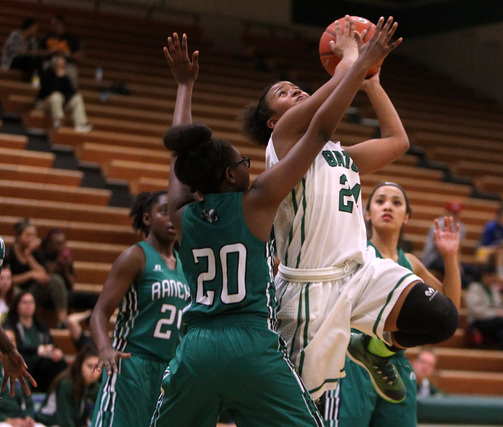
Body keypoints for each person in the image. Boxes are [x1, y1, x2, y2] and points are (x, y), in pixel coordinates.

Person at [151, 19, 398, 425]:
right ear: (231, 176)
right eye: (243, 162)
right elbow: (318, 131)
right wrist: (357, 64)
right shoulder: (257, 201)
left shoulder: (181, 214)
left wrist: (183, 86)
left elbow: (180, 155)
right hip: (252, 342)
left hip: (196, 346)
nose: (250, 165)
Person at [239, 17, 458, 404]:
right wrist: (355, 56)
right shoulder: (283, 143)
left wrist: (371, 83)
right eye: (283, 93)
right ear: (274, 119)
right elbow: (326, 115)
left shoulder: (342, 156)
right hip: (310, 288)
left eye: (296, 87)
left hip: (361, 273)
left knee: (442, 318)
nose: (295, 90)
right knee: (302, 407)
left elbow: (397, 141)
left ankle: (374, 351)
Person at [323, 182, 461, 426]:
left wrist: (450, 256)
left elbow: (451, 309)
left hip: (395, 364)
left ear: (406, 217)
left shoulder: (412, 263)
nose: (388, 206)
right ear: (367, 214)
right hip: (351, 362)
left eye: (396, 203)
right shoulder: (355, 253)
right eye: (380, 201)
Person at [90, 191, 190, 427]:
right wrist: (105, 349)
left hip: (168, 367)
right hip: (131, 363)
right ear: (147, 219)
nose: (170, 219)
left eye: (173, 213)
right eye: (163, 212)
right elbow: (100, 312)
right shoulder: (135, 256)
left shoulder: (184, 264)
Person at [5, 219, 69, 326]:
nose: (32, 238)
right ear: (19, 236)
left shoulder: (36, 254)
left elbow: (44, 276)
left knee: (55, 280)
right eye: (28, 235)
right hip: (14, 291)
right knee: (15, 291)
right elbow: (7, 280)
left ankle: (62, 321)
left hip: (33, 291)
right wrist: (30, 275)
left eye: (34, 235)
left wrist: (28, 255)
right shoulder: (9, 253)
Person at [2, 291, 67, 392]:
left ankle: (55, 394)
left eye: (31, 302)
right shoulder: (10, 324)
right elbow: (14, 347)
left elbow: (52, 344)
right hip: (23, 359)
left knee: (60, 363)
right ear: (17, 305)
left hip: (41, 362)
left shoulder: (41, 325)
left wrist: (56, 351)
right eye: (24, 302)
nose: (28, 306)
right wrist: (38, 350)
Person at [36, 344, 101, 427]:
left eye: (97, 367)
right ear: (80, 365)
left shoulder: (97, 388)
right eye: (89, 366)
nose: (93, 371)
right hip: (49, 423)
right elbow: (64, 420)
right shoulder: (66, 384)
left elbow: (93, 418)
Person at [39, 229, 98, 313]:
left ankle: (87, 319)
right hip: (48, 295)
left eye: (62, 243)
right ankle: (64, 322)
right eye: (57, 243)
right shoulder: (43, 256)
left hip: (67, 292)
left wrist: (66, 268)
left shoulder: (66, 258)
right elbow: (45, 278)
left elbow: (71, 284)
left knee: (96, 298)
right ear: (50, 244)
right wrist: (57, 263)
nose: (60, 246)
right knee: (66, 297)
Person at [420, 200, 475, 287]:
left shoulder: (461, 227)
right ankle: (469, 286)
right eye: (452, 213)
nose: (453, 216)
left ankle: (471, 286)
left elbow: (458, 249)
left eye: (456, 213)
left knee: (473, 270)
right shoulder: (438, 224)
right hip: (432, 259)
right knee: (455, 272)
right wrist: (455, 265)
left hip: (448, 257)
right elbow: (441, 250)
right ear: (446, 212)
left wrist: (458, 264)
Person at [465, 264, 503, 350]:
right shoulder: (474, 288)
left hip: (493, 321)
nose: (493, 278)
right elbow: (477, 311)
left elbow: (498, 306)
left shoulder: (493, 289)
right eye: (491, 276)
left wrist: (501, 311)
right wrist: (496, 313)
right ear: (484, 276)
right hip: (479, 321)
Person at [34, 55, 91, 132]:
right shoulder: (47, 74)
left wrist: (63, 77)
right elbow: (48, 91)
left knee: (77, 98)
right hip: (45, 103)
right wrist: (58, 78)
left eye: (63, 64)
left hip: (61, 103)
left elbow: (71, 92)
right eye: (59, 64)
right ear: (54, 65)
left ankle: (80, 124)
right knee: (56, 96)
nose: (61, 66)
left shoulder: (65, 76)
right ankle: (58, 121)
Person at [39, 15, 83, 90]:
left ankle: (71, 93)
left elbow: (80, 56)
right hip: (51, 62)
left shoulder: (71, 38)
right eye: (54, 24)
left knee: (72, 72)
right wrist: (53, 50)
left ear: (63, 24)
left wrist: (66, 53)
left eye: (58, 24)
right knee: (45, 68)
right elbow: (39, 53)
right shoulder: (47, 38)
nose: (56, 26)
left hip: (67, 63)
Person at [1, 17, 41, 82]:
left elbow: (35, 51)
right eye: (34, 28)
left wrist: (27, 52)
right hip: (12, 59)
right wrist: (21, 51)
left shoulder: (32, 39)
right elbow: (9, 48)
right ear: (29, 27)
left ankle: (35, 80)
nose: (36, 30)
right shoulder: (15, 34)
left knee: (35, 61)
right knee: (30, 62)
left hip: (24, 60)